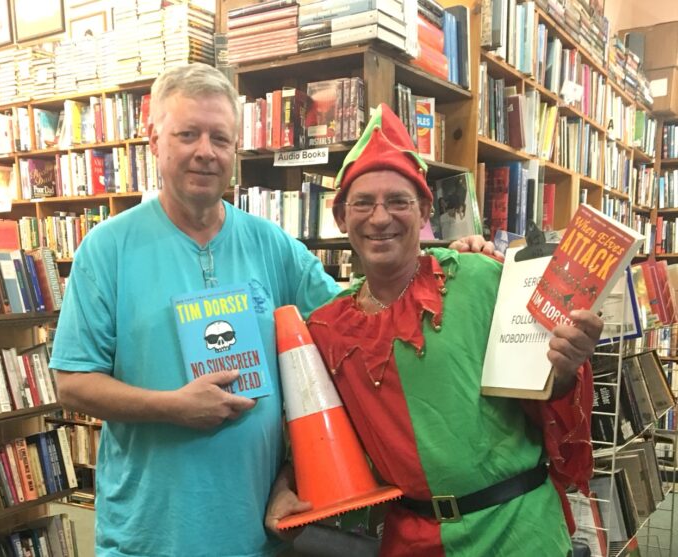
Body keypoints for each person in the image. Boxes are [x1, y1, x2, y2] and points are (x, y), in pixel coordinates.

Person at [49, 63, 495, 557]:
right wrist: (174, 408)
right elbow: (72, 382)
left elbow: (361, 320)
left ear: (235, 150)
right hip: (149, 535)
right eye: (187, 134)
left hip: (257, 533)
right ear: (154, 139)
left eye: (220, 138)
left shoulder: (271, 244)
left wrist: (445, 268)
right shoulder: (106, 249)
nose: (205, 151)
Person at [267, 103, 603, 556]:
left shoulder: (482, 276)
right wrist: (285, 485)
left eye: (399, 201)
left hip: (518, 532)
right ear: (340, 216)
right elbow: (318, 435)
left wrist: (567, 364)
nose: (380, 217)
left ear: (425, 209)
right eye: (363, 202)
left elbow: (547, 391)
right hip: (412, 540)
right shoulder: (326, 328)